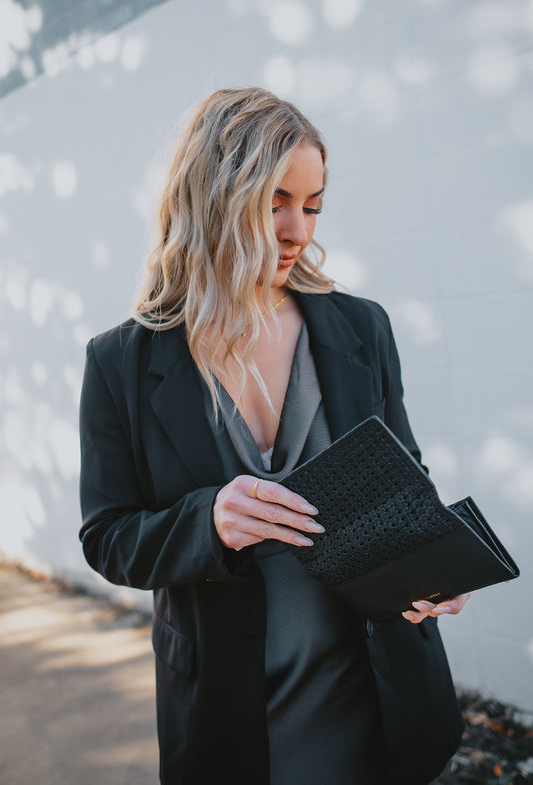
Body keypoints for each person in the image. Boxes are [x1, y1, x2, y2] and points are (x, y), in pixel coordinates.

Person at [79, 87, 469, 785]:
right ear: (212, 198)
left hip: (375, 691)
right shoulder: (121, 363)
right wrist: (209, 521)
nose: (298, 231)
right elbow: (108, 537)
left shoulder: (361, 327)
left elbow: (405, 480)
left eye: (313, 204)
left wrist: (431, 559)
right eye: (273, 203)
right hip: (230, 707)